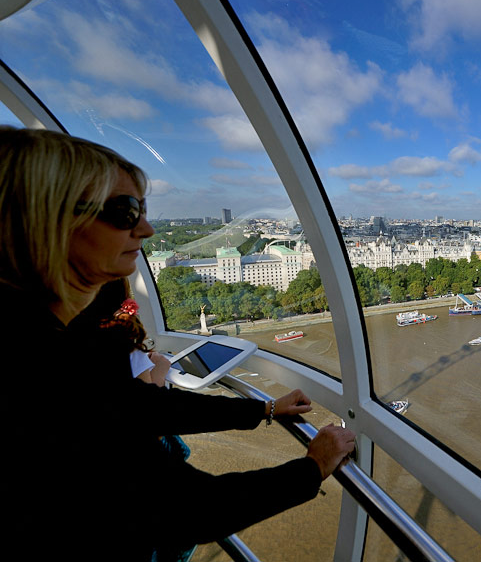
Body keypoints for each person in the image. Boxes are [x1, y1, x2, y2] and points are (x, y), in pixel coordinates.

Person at [0, 126, 356, 560]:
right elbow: (189, 508)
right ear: (44, 220)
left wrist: (262, 408)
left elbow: (141, 407)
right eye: (125, 211)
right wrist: (314, 466)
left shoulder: (54, 343)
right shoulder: (40, 372)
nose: (147, 229)